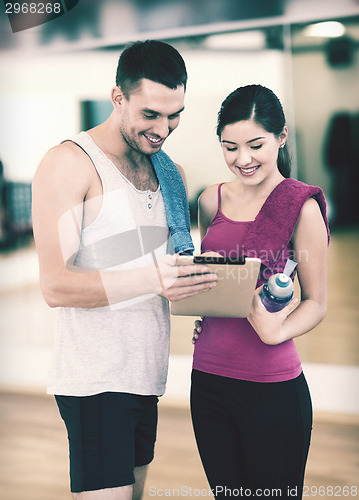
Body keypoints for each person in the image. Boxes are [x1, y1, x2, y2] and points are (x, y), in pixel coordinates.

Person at [32, 40, 217, 500]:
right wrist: (159, 277)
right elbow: (56, 286)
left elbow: (169, 268)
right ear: (118, 98)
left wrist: (213, 293)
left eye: (174, 115)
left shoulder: (170, 173)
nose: (164, 128)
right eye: (150, 114)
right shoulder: (70, 163)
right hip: (95, 380)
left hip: (145, 377)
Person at [190, 84, 329, 499]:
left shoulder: (300, 206)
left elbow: (316, 302)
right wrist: (201, 307)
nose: (242, 159)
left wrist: (276, 330)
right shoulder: (211, 201)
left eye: (255, 145)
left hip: (272, 387)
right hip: (208, 381)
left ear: (281, 137)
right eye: (229, 147)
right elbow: (212, 279)